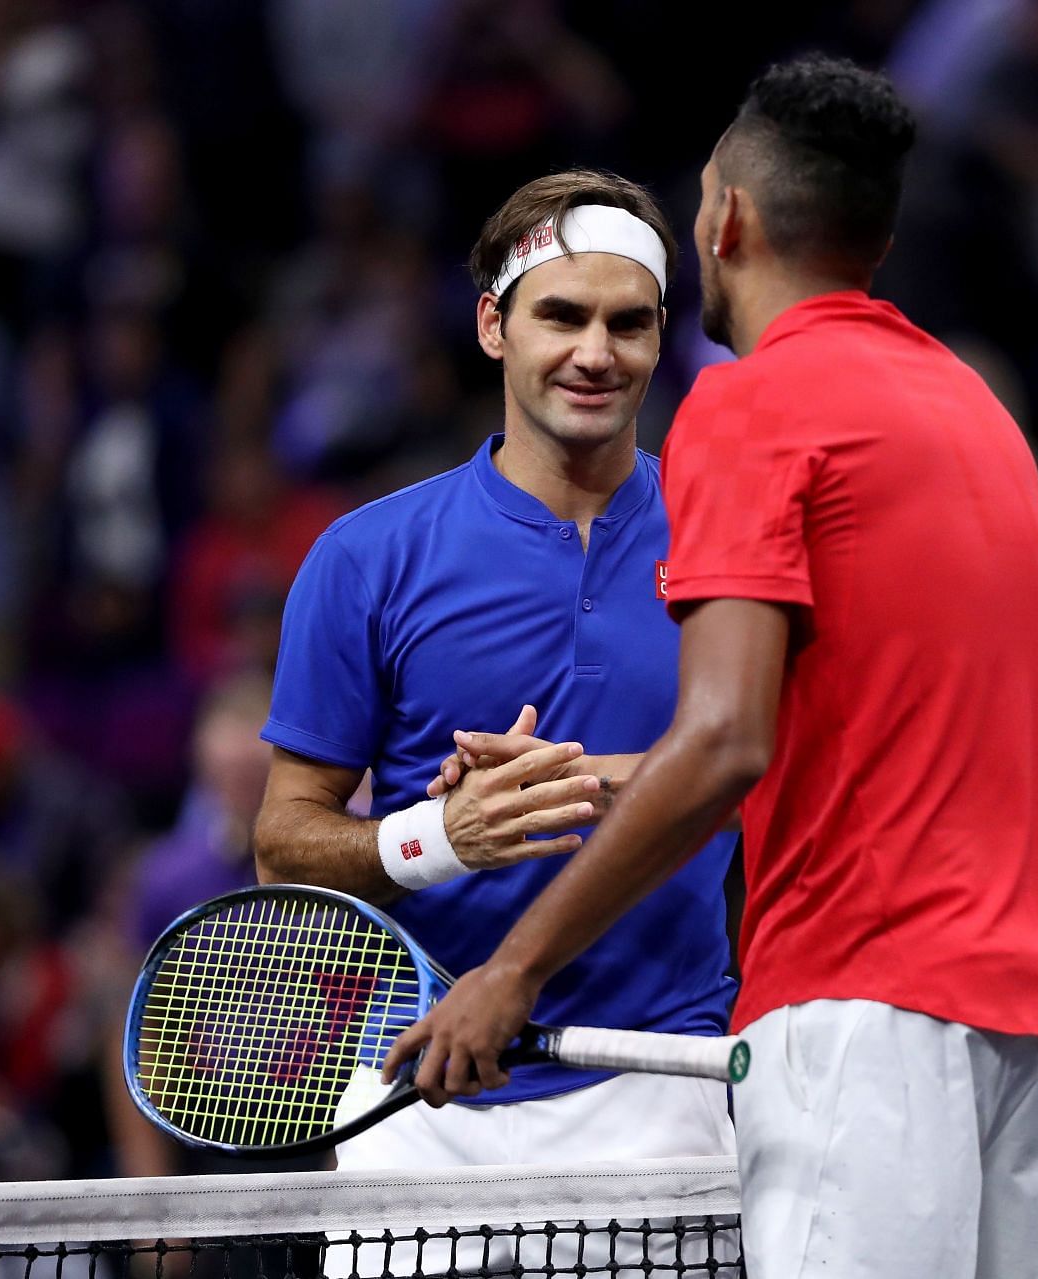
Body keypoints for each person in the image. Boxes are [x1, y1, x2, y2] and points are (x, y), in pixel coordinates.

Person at [387, 56, 1038, 1279]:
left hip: (865, 1020)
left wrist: (512, 970)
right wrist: (589, 782)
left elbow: (727, 742)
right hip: (1030, 1022)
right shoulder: (972, 406)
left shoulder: (749, 406)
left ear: (728, 220)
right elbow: (878, 728)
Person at [252, 170, 738, 1271]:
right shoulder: (365, 557)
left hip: (659, 1089)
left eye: (628, 321)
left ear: (664, 336)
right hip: (415, 1101)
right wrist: (439, 839)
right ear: (493, 326)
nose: (595, 353)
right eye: (561, 316)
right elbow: (286, 846)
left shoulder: (730, 540)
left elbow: (788, 771)